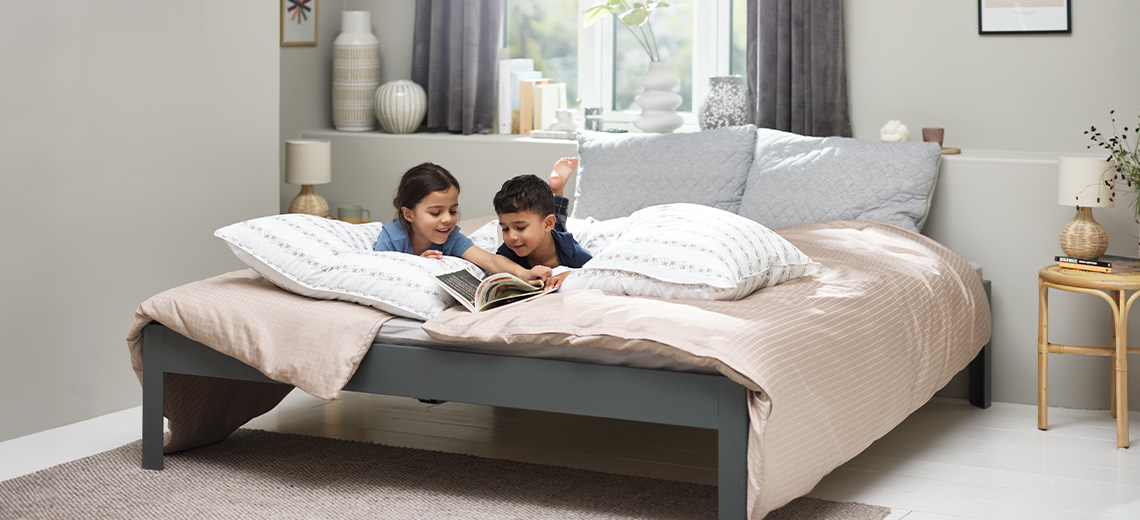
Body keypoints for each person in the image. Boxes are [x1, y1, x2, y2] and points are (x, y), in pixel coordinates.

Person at [373, 162, 552, 285]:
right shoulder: (391, 239)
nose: (447, 219)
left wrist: (524, 274)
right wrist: (417, 265)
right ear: (409, 214)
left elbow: (490, 260)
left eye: (453, 211)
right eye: (436, 213)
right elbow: (377, 274)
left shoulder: (450, 237)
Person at [493, 158, 592, 289]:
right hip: (546, 231)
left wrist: (569, 274)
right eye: (505, 228)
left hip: (555, 235)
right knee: (552, 221)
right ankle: (555, 192)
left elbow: (594, 270)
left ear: (547, 224)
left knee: (559, 225)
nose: (511, 237)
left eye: (520, 227)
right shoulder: (512, 249)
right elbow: (497, 263)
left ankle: (556, 191)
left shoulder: (569, 249)